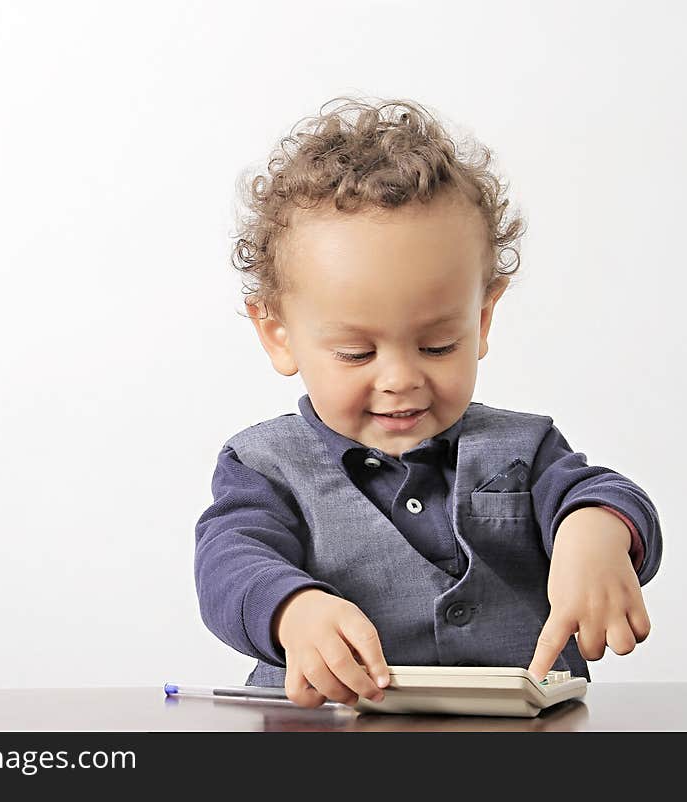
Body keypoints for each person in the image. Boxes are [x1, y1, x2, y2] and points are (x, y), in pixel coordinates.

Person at [193, 97, 662, 709]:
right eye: (357, 353)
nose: (401, 379)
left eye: (439, 345)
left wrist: (596, 531)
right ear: (278, 334)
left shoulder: (525, 448)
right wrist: (291, 609)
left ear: (483, 319)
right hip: (331, 725)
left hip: (518, 734)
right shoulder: (263, 465)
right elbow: (230, 562)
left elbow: (601, 491)